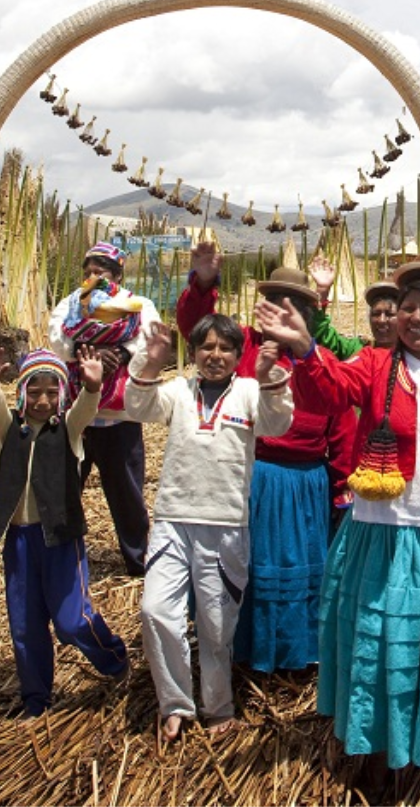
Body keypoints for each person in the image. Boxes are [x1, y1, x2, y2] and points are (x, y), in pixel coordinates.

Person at [253, 252, 420, 796]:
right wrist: (305, 347)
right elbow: (330, 393)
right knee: (382, 645)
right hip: (383, 534)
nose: (415, 318)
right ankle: (379, 748)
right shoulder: (376, 365)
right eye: (407, 308)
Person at [174, 242, 354, 675]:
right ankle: (238, 649)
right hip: (245, 479)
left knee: (296, 569)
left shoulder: (321, 362)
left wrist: (341, 497)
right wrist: (202, 281)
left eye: (290, 308)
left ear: (306, 315)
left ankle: (297, 653)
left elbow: (344, 430)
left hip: (302, 488)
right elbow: (197, 330)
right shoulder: (243, 349)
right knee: (242, 568)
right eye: (272, 305)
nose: (279, 315)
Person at [121, 313, 293, 740]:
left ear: (238, 355)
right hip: (173, 521)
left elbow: (279, 423)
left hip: (225, 524)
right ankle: (176, 703)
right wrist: (151, 363)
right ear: (194, 352)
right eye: (206, 347)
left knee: (216, 624)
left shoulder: (251, 392)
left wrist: (270, 377)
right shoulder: (180, 389)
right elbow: (137, 405)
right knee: (156, 610)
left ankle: (218, 706)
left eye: (224, 348)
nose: (215, 355)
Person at [0, 345, 130, 717]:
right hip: (20, 542)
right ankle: (36, 698)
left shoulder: (69, 430)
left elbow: (86, 409)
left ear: (61, 395)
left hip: (60, 539)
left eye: (51, 391)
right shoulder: (10, 428)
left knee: (71, 620)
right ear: (21, 392)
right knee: (25, 626)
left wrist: (92, 387)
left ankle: (114, 659)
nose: (42, 400)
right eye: (34, 390)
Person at [48, 240, 157, 578]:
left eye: (100, 271)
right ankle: (59, 556)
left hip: (120, 418)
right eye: (88, 272)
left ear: (117, 274)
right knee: (65, 488)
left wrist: (120, 355)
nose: (93, 277)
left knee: (127, 496)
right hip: (77, 416)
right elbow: (56, 339)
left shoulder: (136, 304)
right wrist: (88, 347)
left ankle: (138, 560)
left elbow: (149, 340)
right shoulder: (71, 303)